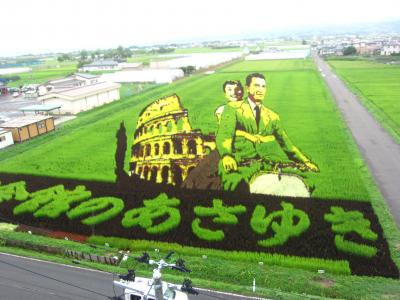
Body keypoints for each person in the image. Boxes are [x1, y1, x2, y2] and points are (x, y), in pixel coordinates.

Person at [216, 72, 318, 191]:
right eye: (256, 86)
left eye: (263, 86)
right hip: (240, 163)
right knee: (239, 186)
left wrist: (306, 161)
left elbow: (287, 144)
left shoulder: (273, 116)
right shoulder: (233, 108)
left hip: (268, 163)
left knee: (304, 182)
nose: (260, 90)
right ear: (248, 88)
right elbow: (224, 135)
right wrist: (226, 155)